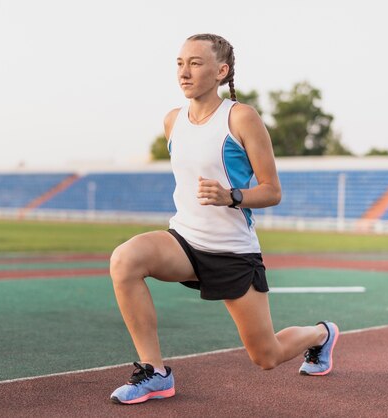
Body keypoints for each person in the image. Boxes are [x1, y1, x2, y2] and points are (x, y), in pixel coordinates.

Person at [109, 33, 339, 405]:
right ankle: (156, 373)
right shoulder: (172, 121)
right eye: (180, 63)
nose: (184, 72)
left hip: (232, 251)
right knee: (125, 259)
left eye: (195, 63)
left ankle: (321, 335)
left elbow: (272, 190)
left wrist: (231, 196)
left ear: (221, 71)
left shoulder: (241, 117)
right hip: (183, 240)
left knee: (267, 356)